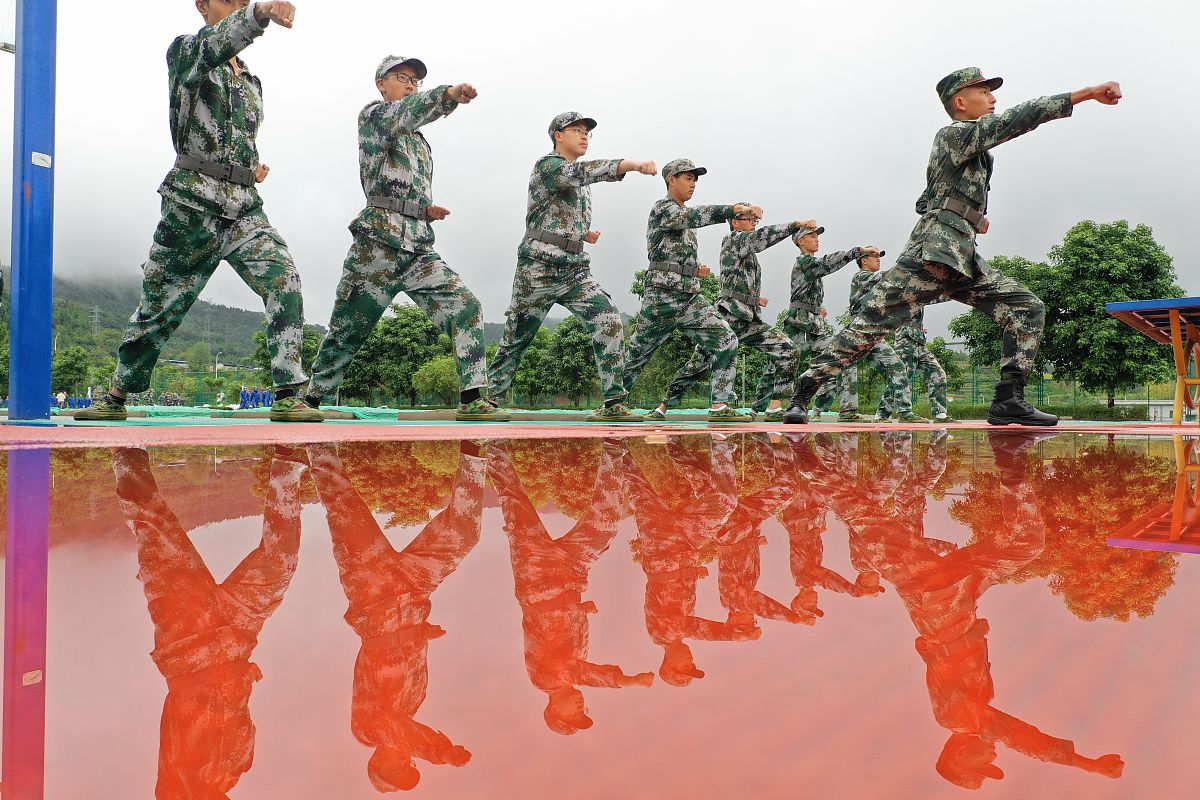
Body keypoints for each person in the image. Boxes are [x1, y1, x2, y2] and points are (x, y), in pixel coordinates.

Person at [786, 68, 1122, 426]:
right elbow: (1018, 118)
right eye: (984, 92)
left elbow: (924, 200)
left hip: (963, 259)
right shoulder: (954, 134)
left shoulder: (973, 151)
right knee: (869, 326)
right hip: (931, 255)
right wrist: (1084, 94)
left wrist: (969, 215)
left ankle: (1008, 399)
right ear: (960, 102)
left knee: (1026, 307)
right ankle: (804, 391)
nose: (993, 98)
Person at [76, 1, 323, 423]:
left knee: (285, 280)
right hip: (191, 204)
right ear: (203, 5)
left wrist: (249, 168)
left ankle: (287, 390)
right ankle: (117, 393)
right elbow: (216, 45)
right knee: (160, 306)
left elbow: (238, 135)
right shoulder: (188, 51)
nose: (239, 6)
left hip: (244, 207)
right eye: (231, 0)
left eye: (244, 1)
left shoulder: (252, 82)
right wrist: (259, 14)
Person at [304, 55, 508, 422]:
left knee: (466, 307)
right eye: (403, 77)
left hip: (419, 250)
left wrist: (426, 208)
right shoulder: (376, 117)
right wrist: (447, 95)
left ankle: (473, 396)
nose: (411, 85)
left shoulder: (419, 142)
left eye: (415, 80)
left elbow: (406, 184)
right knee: (346, 332)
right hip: (376, 248)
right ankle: (311, 399)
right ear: (381, 83)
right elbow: (409, 112)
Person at [488, 112, 658, 422]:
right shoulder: (548, 166)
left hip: (575, 271)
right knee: (517, 337)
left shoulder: (582, 184)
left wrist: (581, 234)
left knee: (608, 319)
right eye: (576, 130)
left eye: (587, 133)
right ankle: (488, 400)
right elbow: (579, 174)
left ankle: (613, 403)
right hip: (538, 269)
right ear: (558, 136)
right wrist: (628, 165)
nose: (584, 136)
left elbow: (560, 214)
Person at [624, 160, 761, 423]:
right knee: (638, 353)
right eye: (687, 178)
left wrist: (693, 270)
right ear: (670, 180)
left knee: (726, 339)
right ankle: (613, 402)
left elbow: (673, 254)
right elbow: (693, 217)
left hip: (689, 297)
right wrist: (732, 209)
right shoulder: (664, 209)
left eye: (694, 179)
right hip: (661, 298)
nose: (692, 183)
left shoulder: (683, 221)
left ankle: (720, 405)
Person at [657, 212, 814, 422]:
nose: (753, 224)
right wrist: (795, 223)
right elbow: (761, 239)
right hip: (728, 317)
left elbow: (739, 282)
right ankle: (664, 406)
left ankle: (775, 407)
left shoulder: (747, 251)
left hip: (749, 319)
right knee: (697, 365)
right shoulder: (733, 240)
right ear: (735, 222)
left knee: (788, 350)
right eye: (749, 220)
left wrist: (755, 301)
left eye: (755, 221)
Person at [777, 226, 878, 417]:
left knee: (843, 356)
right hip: (798, 325)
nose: (817, 239)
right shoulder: (805, 262)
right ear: (800, 241)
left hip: (816, 327)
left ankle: (847, 410)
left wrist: (817, 311)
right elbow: (828, 263)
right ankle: (768, 407)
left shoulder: (811, 264)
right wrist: (858, 251)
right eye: (812, 236)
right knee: (785, 362)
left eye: (817, 236)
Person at [832, 251, 926, 423]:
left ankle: (905, 412)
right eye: (874, 256)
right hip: (858, 332)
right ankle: (847, 412)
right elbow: (887, 277)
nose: (878, 259)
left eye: (880, 257)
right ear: (863, 260)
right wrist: (910, 266)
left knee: (897, 366)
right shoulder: (861, 276)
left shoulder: (878, 284)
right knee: (848, 369)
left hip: (874, 334)